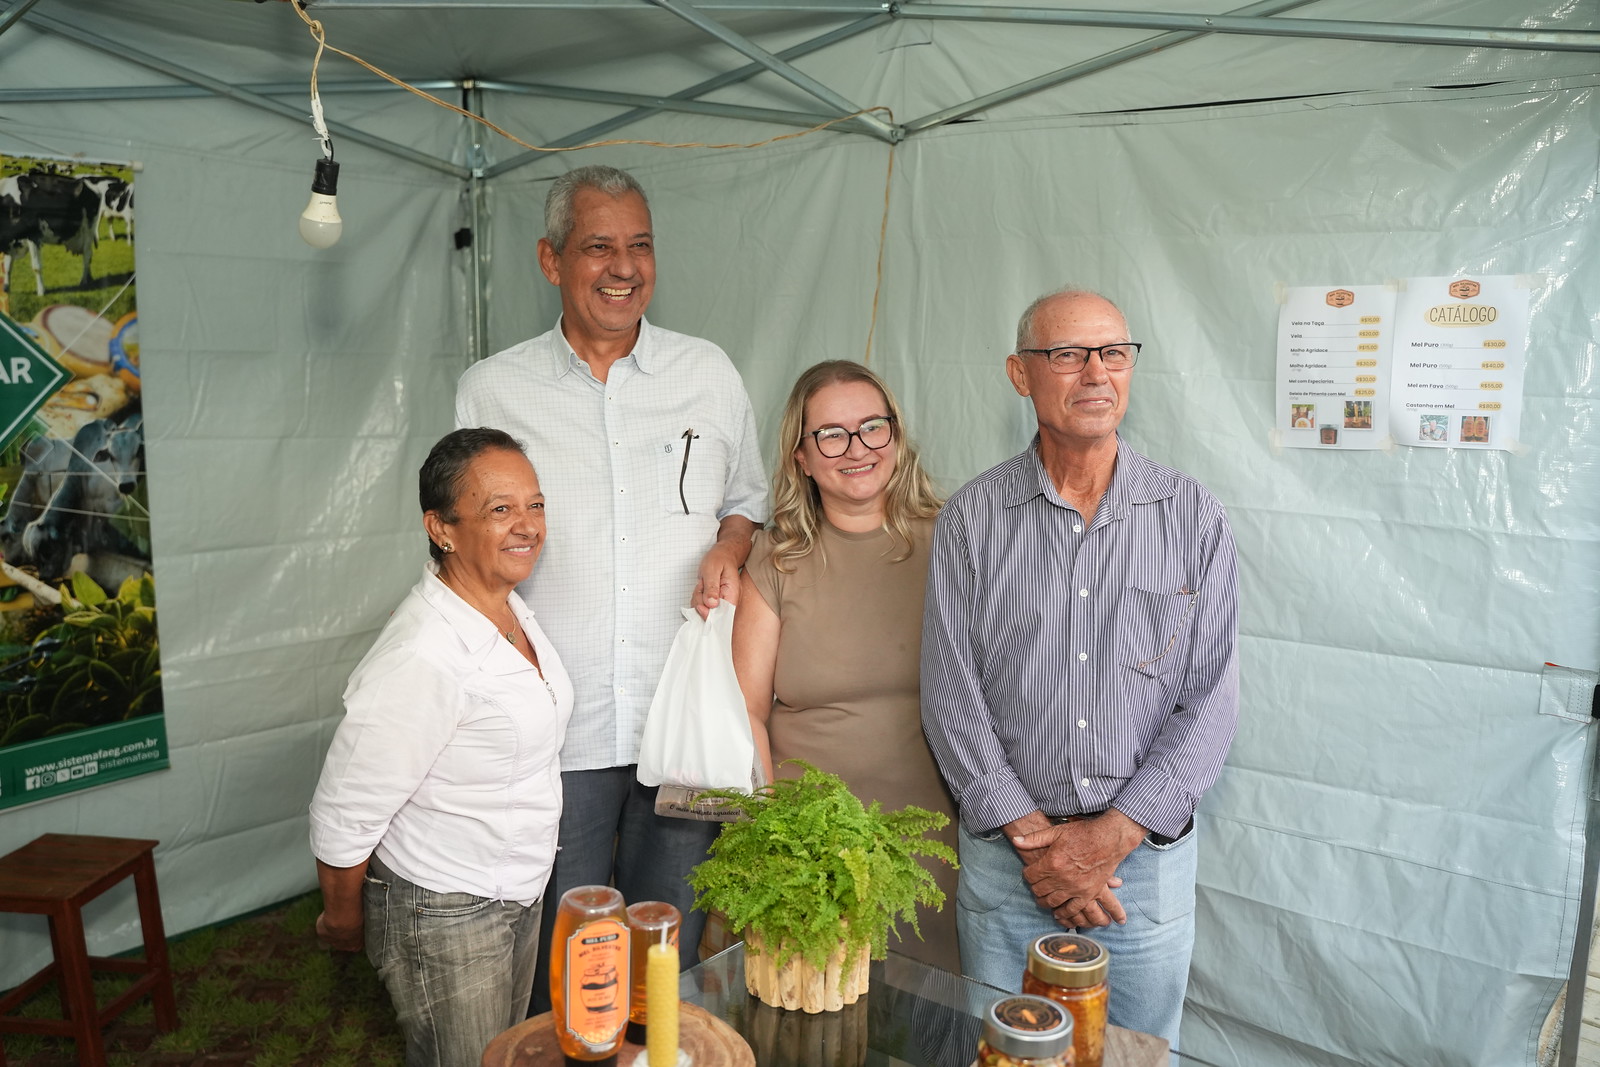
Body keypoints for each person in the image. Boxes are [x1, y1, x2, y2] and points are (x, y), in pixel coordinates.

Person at [454, 164, 768, 1013]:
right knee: (563, 953)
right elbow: (468, 552)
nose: (623, 267)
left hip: (685, 714)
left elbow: (747, 501)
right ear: (551, 261)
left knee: (669, 942)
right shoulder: (493, 389)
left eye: (641, 246)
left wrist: (730, 545)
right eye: (599, 246)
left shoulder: (709, 373)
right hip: (561, 723)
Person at [921, 289, 1239, 1050]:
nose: (1096, 372)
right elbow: (949, 693)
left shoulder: (1192, 516)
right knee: (1006, 1054)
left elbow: (1212, 701)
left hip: (1139, 876)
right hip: (1008, 867)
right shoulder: (972, 520)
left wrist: (1107, 842)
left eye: (1114, 353)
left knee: (1130, 1052)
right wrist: (1040, 845)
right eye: (1067, 354)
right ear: (1019, 374)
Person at [309, 428, 572, 1067]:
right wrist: (344, 921)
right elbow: (345, 812)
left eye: (535, 505)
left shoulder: (505, 608)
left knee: (501, 1056)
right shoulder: (424, 653)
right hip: (448, 912)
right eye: (500, 509)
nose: (527, 525)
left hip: (516, 889)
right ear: (442, 527)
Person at [731, 360, 959, 971]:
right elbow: (747, 712)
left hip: (940, 842)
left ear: (897, 438)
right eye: (830, 434)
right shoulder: (773, 560)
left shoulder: (956, 541)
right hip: (812, 851)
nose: (855, 448)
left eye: (872, 428)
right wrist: (777, 843)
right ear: (801, 455)